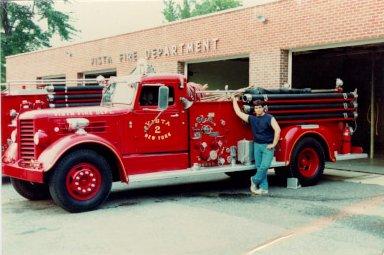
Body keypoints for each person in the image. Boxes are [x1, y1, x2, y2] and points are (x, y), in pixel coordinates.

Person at [232, 97, 281, 195]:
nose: (258, 109)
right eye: (256, 108)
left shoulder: (269, 117)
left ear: (263, 108)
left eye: (259, 107)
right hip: (257, 145)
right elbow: (238, 113)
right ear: (254, 109)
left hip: (268, 146)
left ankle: (254, 180)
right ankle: (264, 188)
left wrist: (274, 144)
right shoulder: (252, 119)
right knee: (259, 167)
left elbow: (278, 130)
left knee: (265, 166)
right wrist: (234, 100)